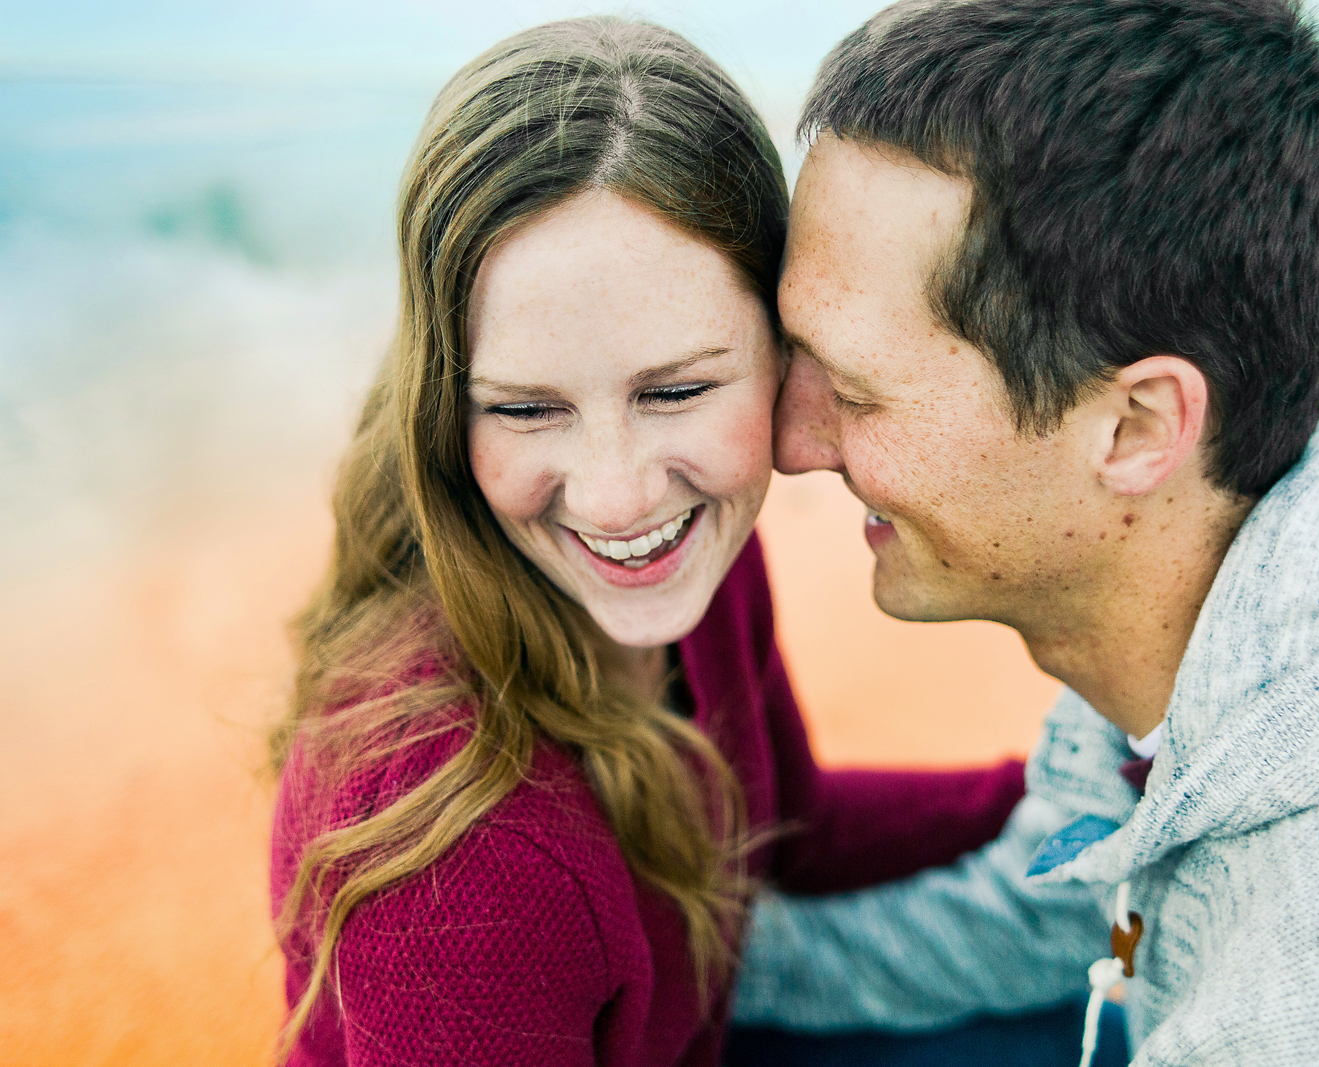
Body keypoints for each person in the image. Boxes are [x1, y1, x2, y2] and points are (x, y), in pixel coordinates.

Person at [730, 0, 1319, 1063]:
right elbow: (1066, 910)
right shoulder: (1204, 602)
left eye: (855, 393)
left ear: (1135, 427)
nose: (789, 439)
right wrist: (689, 965)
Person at [266, 18, 1028, 1067]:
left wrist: (1054, 791)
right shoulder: (458, 863)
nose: (619, 496)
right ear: (446, 401)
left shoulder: (695, 557)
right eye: (527, 410)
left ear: (785, 342)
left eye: (674, 391)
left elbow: (791, 827)